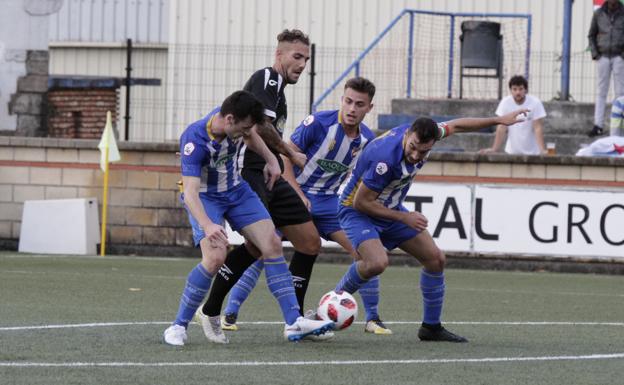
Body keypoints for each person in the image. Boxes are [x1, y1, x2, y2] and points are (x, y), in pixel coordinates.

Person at [333, 108, 528, 343]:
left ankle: (431, 328)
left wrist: (498, 119)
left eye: (423, 150)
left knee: (436, 259)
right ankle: (332, 303)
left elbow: (458, 125)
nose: (416, 155)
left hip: (389, 207)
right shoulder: (384, 157)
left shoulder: (429, 133)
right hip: (355, 211)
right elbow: (362, 202)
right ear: (408, 134)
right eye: (413, 147)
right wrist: (404, 217)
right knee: (377, 263)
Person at [220, 77, 393, 336]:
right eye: (348, 101)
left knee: (364, 252)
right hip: (292, 196)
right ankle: (230, 312)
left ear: (369, 108)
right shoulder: (318, 123)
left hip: (330, 203)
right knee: (261, 248)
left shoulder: (367, 140)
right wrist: (298, 193)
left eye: (359, 104)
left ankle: (371, 317)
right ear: (342, 99)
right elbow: (286, 157)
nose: (352, 109)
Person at [162, 90, 333, 346]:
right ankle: (178, 326)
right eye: (242, 128)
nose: (246, 132)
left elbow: (253, 134)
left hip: (237, 191)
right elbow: (190, 194)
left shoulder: (237, 125)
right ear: (229, 119)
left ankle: (293, 321)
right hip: (207, 198)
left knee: (272, 244)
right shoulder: (194, 140)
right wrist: (208, 225)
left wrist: (272, 160)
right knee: (215, 258)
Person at [198, 29, 323, 327]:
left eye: (306, 58)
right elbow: (263, 126)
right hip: (248, 172)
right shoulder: (268, 77)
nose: (303, 64)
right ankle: (210, 309)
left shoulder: (279, 91)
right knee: (259, 244)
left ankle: (297, 318)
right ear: (279, 55)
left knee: (309, 242)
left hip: (268, 172)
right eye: (297, 56)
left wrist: (275, 161)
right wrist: (289, 155)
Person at [480, 75, 546, 155]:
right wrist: (494, 149)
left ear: (526, 90)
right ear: (510, 90)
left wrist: (542, 150)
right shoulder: (505, 103)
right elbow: (501, 127)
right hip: (511, 152)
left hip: (533, 152)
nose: (518, 92)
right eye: (514, 89)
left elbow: (537, 128)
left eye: (521, 89)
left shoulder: (535, 103)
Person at [587, 0, 624, 137]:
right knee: (601, 91)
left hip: (619, 57)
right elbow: (591, 35)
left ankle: (619, 126)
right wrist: (595, 54)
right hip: (603, 56)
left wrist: (622, 55)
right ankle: (598, 125)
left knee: (620, 93)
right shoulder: (598, 14)